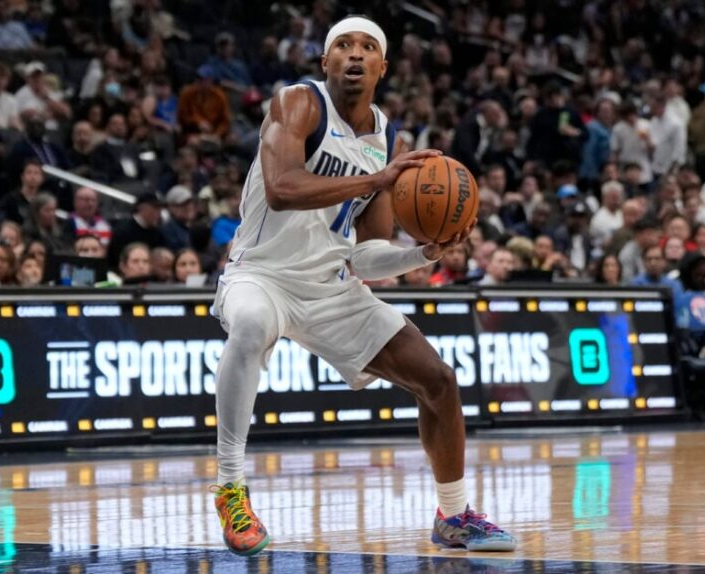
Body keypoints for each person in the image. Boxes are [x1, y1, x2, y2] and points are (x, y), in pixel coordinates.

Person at [210, 16, 516, 557]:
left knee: (438, 381)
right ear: (325, 62)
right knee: (253, 324)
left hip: (330, 287)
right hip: (259, 273)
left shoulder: (384, 136)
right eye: (343, 46)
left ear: (382, 67)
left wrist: (422, 252)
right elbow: (281, 189)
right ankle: (232, 490)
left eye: (367, 47)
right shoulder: (297, 103)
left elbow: (364, 256)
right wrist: (377, 180)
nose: (354, 54)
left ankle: (453, 514)